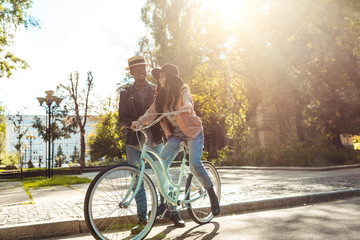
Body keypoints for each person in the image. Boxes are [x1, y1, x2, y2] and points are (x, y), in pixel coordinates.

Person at [131, 63, 220, 225]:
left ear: (170, 78)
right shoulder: (162, 97)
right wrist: (139, 121)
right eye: (159, 77)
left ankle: (212, 194)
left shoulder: (181, 90)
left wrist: (187, 106)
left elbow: (188, 99)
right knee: (161, 164)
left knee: (194, 165)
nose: (160, 79)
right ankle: (166, 204)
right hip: (176, 136)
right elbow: (152, 112)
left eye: (162, 76)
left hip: (193, 133)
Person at [118, 56, 185, 230]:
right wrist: (133, 123)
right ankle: (142, 219)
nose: (141, 70)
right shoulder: (125, 93)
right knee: (136, 180)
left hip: (155, 139)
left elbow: (164, 109)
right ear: (131, 72)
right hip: (134, 141)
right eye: (137, 68)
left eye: (143, 67)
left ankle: (173, 211)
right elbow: (122, 117)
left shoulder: (157, 89)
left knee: (164, 175)